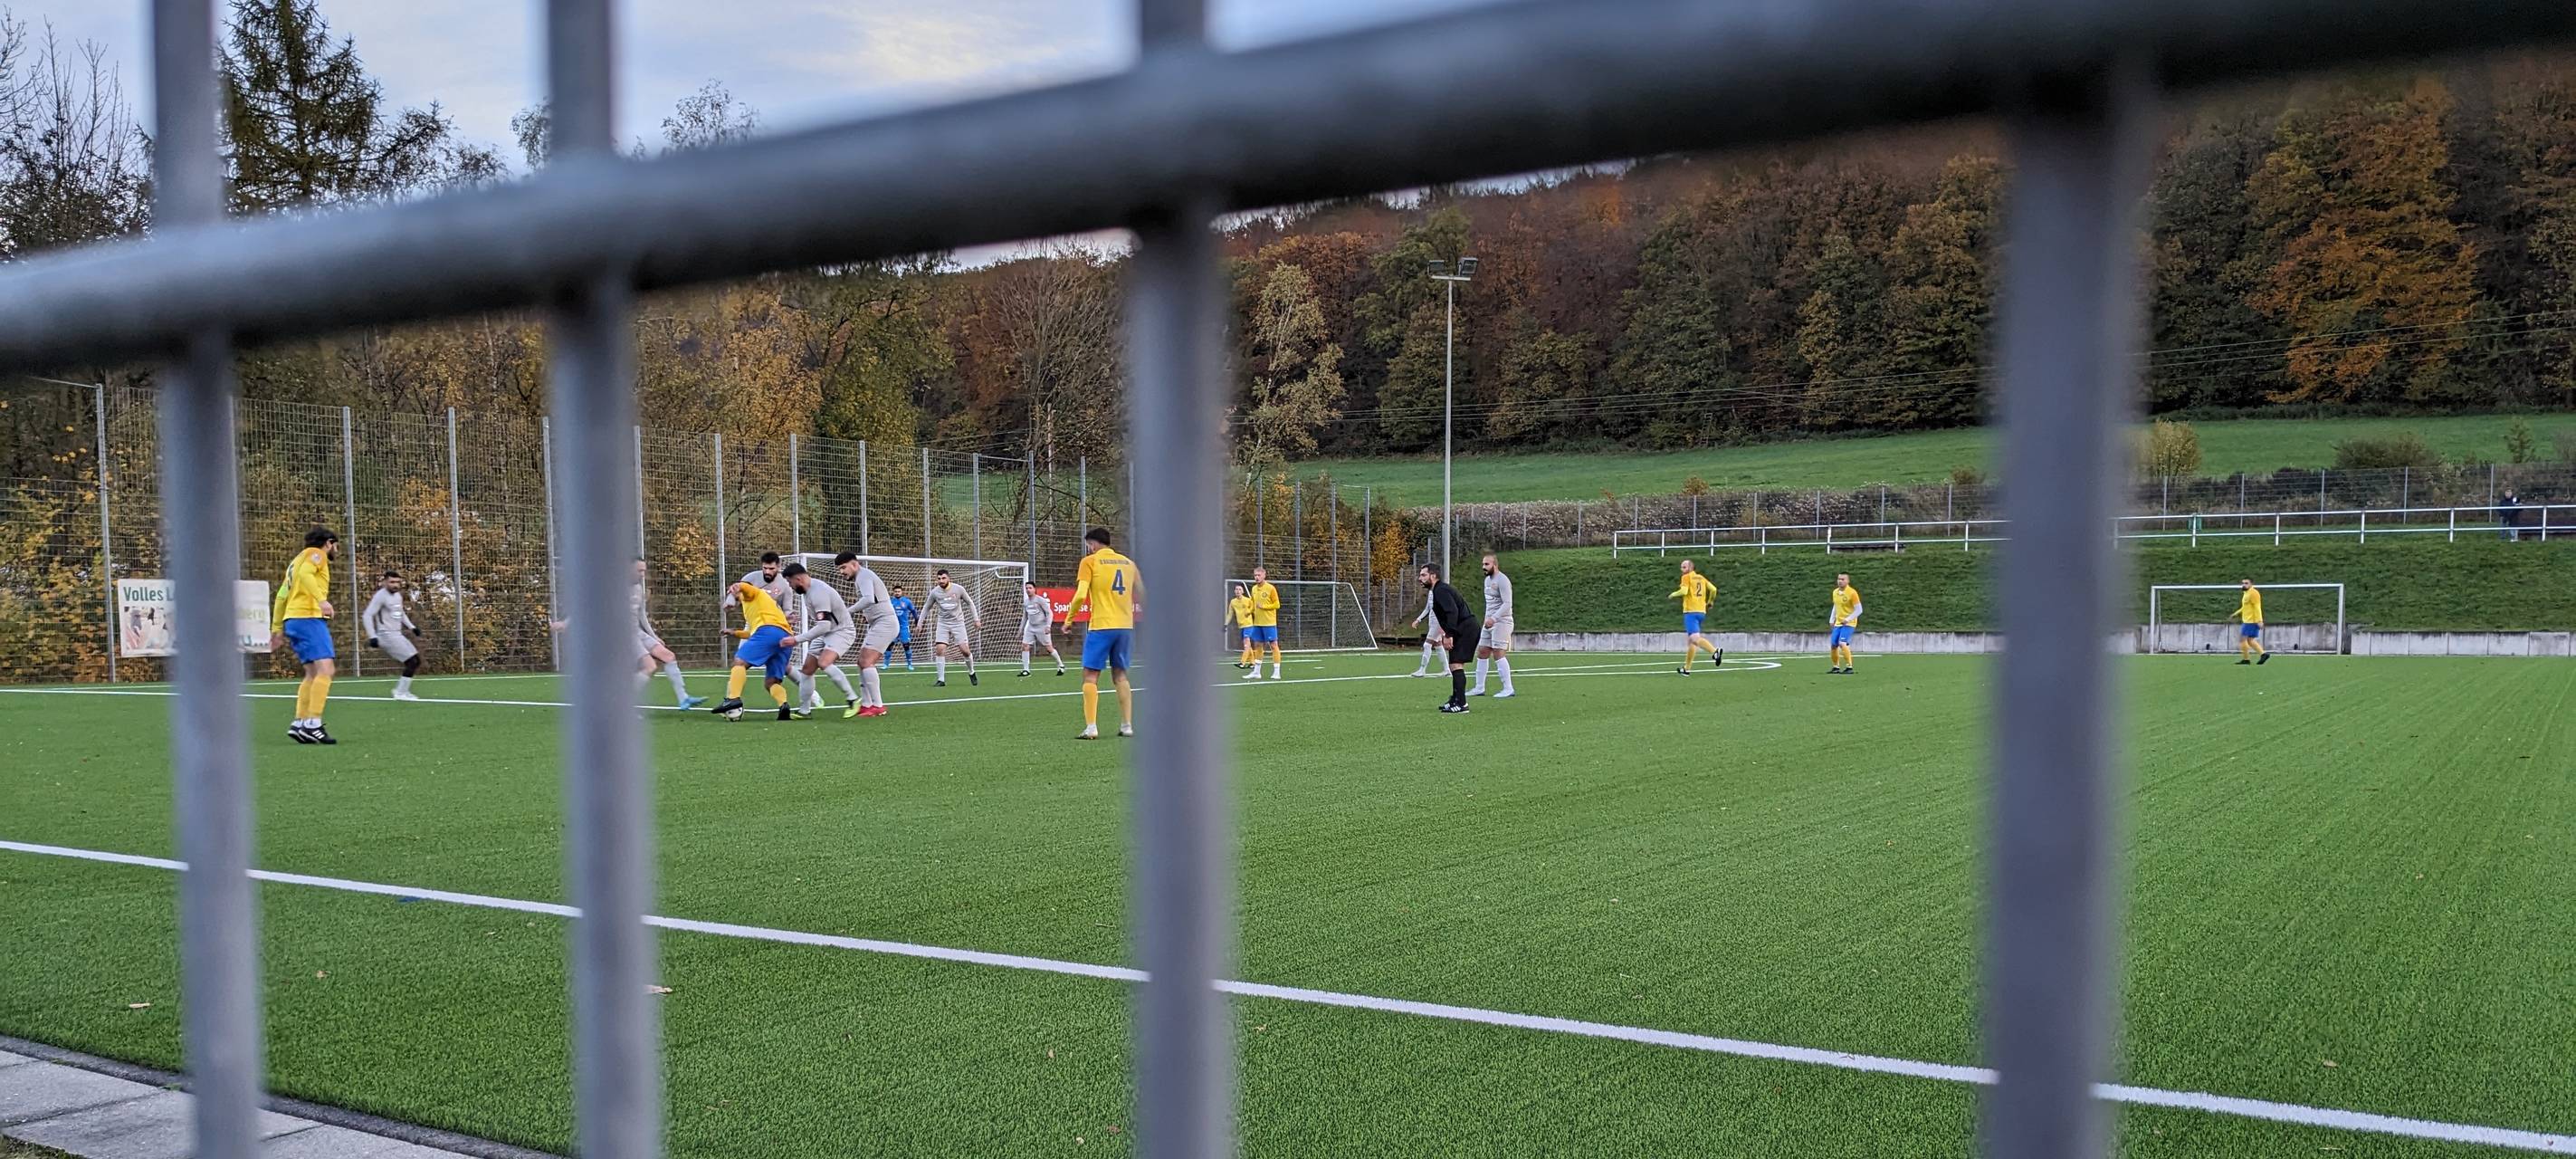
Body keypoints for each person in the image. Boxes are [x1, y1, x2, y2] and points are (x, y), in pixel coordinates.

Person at [1066, 527, 1140, 740]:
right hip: (1125, 627)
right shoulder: (1128, 564)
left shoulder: (1089, 562)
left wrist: (1069, 619)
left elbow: (1080, 595)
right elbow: (1143, 592)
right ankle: (1127, 726)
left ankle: (1091, 727)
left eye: (1089, 545)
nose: (1088, 549)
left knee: (1090, 676)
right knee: (1120, 675)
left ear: (1094, 543)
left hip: (1101, 625)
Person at [270, 528, 340, 744]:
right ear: (328, 543)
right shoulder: (315, 555)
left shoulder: (296, 561)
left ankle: (300, 722)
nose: (336, 550)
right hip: (308, 618)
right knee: (326, 669)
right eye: (336, 545)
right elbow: (306, 575)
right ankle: (314, 724)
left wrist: (277, 628)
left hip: (293, 620)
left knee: (312, 673)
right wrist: (321, 600)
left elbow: (282, 595)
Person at [780, 562, 860, 718]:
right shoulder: (809, 590)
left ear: (798, 579)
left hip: (842, 632)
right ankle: (804, 711)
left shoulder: (819, 592)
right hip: (827, 633)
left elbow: (824, 625)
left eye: (790, 582)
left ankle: (853, 699)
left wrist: (796, 639)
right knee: (807, 670)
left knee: (824, 663)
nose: (790, 587)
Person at [712, 578, 797, 720]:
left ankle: (733, 699)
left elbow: (748, 589)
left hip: (769, 632)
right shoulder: (761, 606)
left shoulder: (753, 594)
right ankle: (783, 705)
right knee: (771, 682)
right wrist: (735, 633)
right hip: (785, 638)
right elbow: (754, 632)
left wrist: (738, 586)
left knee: (739, 663)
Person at [629, 558, 705, 710]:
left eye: (644, 570)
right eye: (639, 570)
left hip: (636, 632)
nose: (642, 574)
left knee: (668, 657)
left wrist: (654, 636)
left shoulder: (638, 588)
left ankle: (684, 699)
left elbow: (641, 615)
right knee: (650, 667)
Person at [835, 552, 898, 718]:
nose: (842, 572)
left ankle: (878, 706)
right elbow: (874, 600)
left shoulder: (864, 575)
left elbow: (869, 599)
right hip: (878, 623)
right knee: (861, 662)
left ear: (854, 565)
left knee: (866, 661)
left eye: (843, 567)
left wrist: (847, 611)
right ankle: (866, 704)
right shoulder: (862, 577)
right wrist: (868, 615)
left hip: (885, 623)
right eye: (840, 569)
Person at [1420, 564, 1480, 714]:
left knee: (1456, 665)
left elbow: (1452, 611)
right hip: (1462, 629)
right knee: (1455, 665)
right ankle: (1456, 699)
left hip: (1466, 629)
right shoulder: (1438, 590)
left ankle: (1462, 704)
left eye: (1423, 575)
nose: (1420, 578)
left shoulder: (1441, 590)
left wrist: (1449, 635)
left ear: (1433, 576)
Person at [362, 570, 426, 701]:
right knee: (412, 662)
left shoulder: (397, 596)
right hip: (386, 635)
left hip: (397, 634)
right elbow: (367, 615)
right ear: (385, 582)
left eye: (397, 582)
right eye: (392, 582)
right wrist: (372, 636)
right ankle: (400, 693)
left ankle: (402, 691)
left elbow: (400, 613)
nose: (395, 585)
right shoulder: (381, 596)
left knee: (416, 661)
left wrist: (412, 627)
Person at [921, 569, 981, 687]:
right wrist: (920, 623)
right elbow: (926, 607)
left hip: (958, 623)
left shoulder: (958, 589)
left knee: (965, 650)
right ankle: (941, 680)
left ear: (949, 578)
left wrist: (976, 619)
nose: (941, 581)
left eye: (943, 578)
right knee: (940, 649)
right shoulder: (935, 592)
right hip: (943, 623)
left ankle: (971, 672)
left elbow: (970, 603)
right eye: (939, 579)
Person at [1468, 553, 1516, 699]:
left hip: (1502, 621)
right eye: (1483, 564)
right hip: (1489, 622)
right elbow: (1490, 604)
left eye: (1487, 564)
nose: (1484, 567)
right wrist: (1487, 620)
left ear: (1495, 565)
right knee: (1482, 651)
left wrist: (1494, 618)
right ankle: (1479, 687)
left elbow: (1507, 604)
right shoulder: (1487, 581)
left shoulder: (1503, 580)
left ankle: (1508, 688)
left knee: (1498, 652)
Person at [1668, 560, 1723, 675]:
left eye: (1684, 567)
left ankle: (1715, 652)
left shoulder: (1686, 577)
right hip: (1701, 611)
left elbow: (1684, 591)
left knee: (1694, 639)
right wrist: (1710, 601)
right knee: (1692, 642)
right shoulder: (1701, 578)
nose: (1682, 570)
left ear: (1690, 568)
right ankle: (1687, 669)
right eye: (1681, 567)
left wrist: (1673, 594)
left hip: (1691, 612)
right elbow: (1713, 589)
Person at [1018, 581, 1067, 676]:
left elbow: (1050, 613)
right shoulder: (1026, 602)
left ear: (1034, 589)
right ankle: (1026, 670)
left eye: (1030, 588)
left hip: (1042, 627)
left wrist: (1048, 626)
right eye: (1027, 588)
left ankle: (1060, 665)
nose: (1028, 590)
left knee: (1049, 648)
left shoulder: (1040, 600)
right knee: (1025, 646)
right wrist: (1021, 629)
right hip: (1031, 627)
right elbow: (1025, 617)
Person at [1245, 565, 1283, 680]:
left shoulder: (1271, 588)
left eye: (1259, 575)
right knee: (1258, 645)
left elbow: (1277, 605)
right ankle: (1257, 672)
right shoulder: (1254, 589)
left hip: (1269, 622)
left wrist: (1264, 606)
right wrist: (1249, 611)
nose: (1256, 577)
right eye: (1255, 575)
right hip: (1258, 622)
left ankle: (1277, 672)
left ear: (1264, 575)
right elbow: (1253, 603)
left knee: (1273, 645)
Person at [1827, 572, 1864, 675]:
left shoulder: (1852, 593)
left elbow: (1859, 610)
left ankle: (1849, 667)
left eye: (1843, 579)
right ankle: (1836, 667)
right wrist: (1832, 619)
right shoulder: (1835, 592)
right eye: (1839, 579)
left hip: (1849, 623)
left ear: (1848, 581)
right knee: (1833, 645)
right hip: (1839, 623)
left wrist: (1848, 619)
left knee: (1842, 643)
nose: (1840, 581)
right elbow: (1836, 606)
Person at [2229, 578, 2268, 665]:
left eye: (2246, 583)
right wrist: (2236, 613)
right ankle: (2263, 654)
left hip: (2251, 621)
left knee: (2242, 639)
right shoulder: (2246, 593)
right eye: (2243, 583)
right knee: (2250, 640)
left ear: (2251, 584)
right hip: (2248, 620)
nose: (2244, 585)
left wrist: (2260, 620)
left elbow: (2257, 607)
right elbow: (2245, 607)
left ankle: (2246, 659)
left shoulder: (2254, 593)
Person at [1407, 583, 1438, 677]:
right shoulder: (1431, 592)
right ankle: (1446, 669)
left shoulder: (1440, 591)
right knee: (1438, 644)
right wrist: (1418, 619)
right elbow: (1428, 609)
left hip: (1438, 622)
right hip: (1432, 622)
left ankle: (1422, 669)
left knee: (1427, 644)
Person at [1226, 582, 1259, 669]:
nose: (1238, 591)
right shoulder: (1233, 602)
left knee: (1246, 644)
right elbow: (1230, 614)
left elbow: (1254, 608)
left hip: (1249, 625)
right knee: (1247, 645)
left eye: (1240, 589)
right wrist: (1226, 624)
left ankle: (1242, 662)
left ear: (1243, 591)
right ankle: (1252, 663)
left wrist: (1250, 611)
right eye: (1236, 589)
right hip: (1241, 626)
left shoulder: (1248, 600)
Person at [888, 584, 919, 669]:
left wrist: (917, 622)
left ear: (902, 592)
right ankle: (886, 664)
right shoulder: (890, 602)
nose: (897, 593)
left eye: (899, 591)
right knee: (889, 645)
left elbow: (914, 611)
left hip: (904, 627)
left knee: (906, 645)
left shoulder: (907, 601)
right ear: (893, 592)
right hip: (893, 627)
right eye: (896, 592)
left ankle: (910, 664)